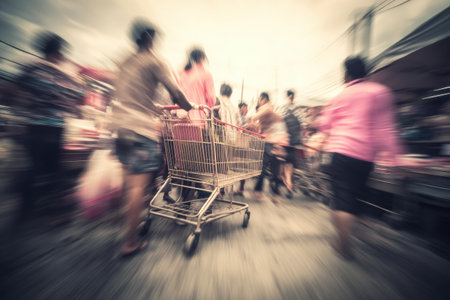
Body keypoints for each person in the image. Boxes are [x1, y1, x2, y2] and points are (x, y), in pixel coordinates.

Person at [112, 19, 193, 256]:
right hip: (140, 129)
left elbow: (129, 96)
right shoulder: (154, 60)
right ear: (150, 38)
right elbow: (175, 91)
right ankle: (130, 241)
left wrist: (154, 107)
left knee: (128, 183)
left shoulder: (125, 62)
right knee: (140, 187)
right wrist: (189, 107)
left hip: (120, 128)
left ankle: (127, 224)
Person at [317, 56, 403, 259]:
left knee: (341, 200)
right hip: (366, 157)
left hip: (340, 152)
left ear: (346, 74)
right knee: (355, 198)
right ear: (368, 73)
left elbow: (324, 124)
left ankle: (342, 243)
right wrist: (395, 159)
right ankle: (347, 237)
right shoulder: (380, 92)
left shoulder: (340, 96)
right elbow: (386, 128)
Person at [0, 32, 85, 223]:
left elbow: (10, 92)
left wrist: (22, 107)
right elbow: (80, 96)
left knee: (31, 166)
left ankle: (26, 210)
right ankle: (57, 212)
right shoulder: (68, 76)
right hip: (57, 128)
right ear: (60, 52)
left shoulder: (33, 69)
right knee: (54, 168)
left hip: (34, 126)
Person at [247, 92, 288, 204]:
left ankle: (259, 192)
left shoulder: (267, 107)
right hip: (279, 141)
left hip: (272, 141)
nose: (259, 104)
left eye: (259, 101)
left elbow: (254, 117)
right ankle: (274, 194)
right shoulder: (272, 110)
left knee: (264, 167)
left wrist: (251, 119)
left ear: (263, 99)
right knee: (275, 169)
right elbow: (260, 126)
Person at [280, 89, 302, 198]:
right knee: (290, 164)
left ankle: (288, 184)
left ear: (288, 96)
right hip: (295, 142)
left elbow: (280, 123)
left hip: (285, 141)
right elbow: (303, 124)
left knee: (286, 164)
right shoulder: (298, 109)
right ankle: (289, 184)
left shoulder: (284, 108)